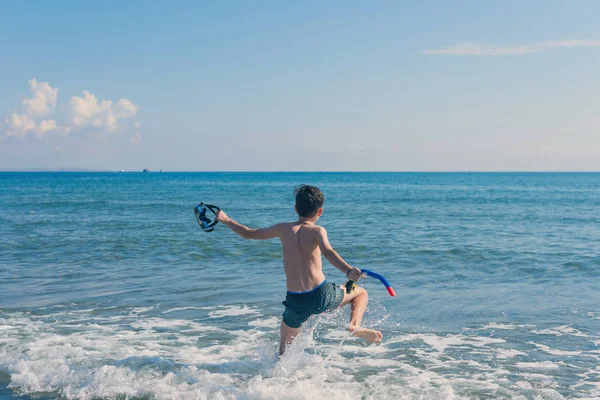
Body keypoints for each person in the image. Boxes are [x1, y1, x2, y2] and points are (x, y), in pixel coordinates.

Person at [215, 184, 383, 355]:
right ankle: (354, 326)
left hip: (295, 302)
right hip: (321, 295)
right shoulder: (318, 230)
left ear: (296, 209)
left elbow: (249, 233)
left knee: (283, 354)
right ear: (320, 212)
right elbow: (328, 252)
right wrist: (348, 271)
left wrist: (227, 220)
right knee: (360, 292)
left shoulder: (282, 229)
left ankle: (277, 380)